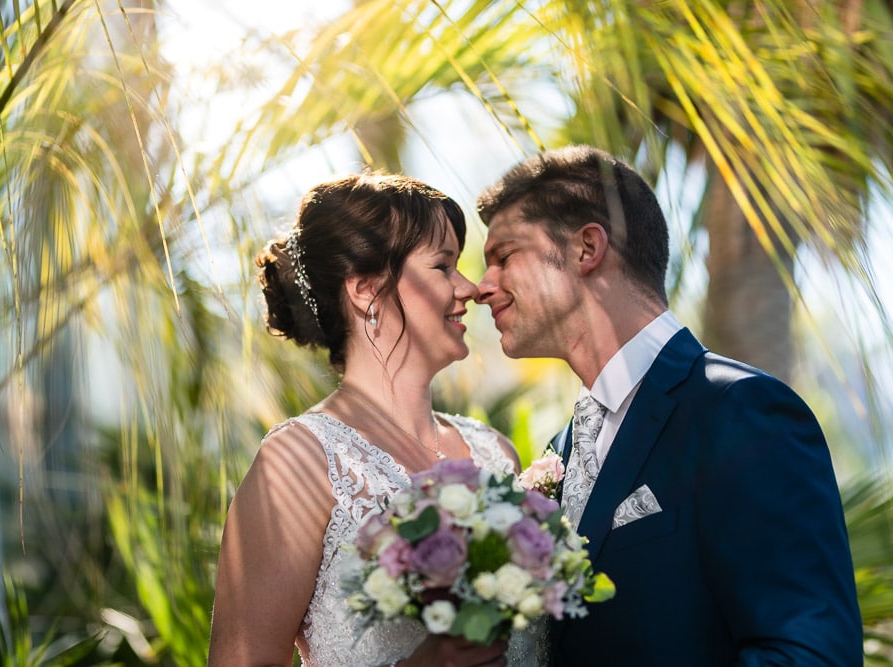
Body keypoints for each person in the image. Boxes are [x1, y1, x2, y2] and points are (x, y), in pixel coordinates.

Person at [474, 146, 862, 665]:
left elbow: (811, 655)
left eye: (503, 257)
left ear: (587, 248)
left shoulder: (740, 410)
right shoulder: (561, 449)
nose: (482, 287)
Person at [207, 173, 524, 667]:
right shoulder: (299, 462)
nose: (471, 288)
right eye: (443, 266)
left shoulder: (497, 454)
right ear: (365, 290)